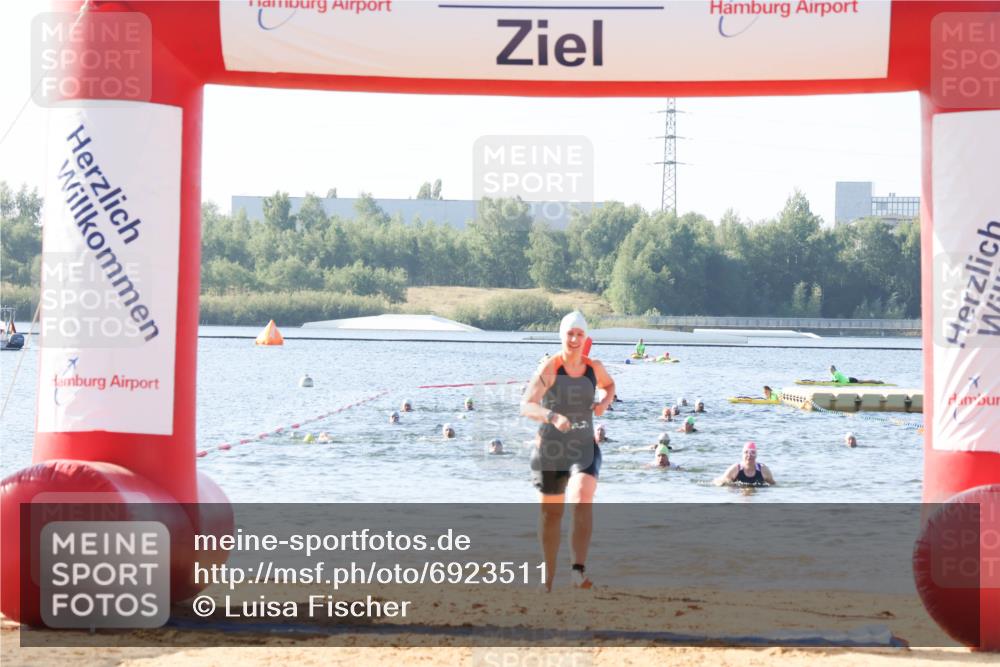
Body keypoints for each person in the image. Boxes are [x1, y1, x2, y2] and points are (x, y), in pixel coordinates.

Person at [521, 310, 615, 591]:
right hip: (550, 448)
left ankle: (577, 571)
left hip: (584, 446)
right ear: (562, 336)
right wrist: (552, 417)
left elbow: (609, 385)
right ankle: (547, 579)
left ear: (585, 338)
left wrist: (604, 402)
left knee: (580, 497)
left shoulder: (593, 367)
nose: (574, 339)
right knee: (551, 514)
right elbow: (526, 405)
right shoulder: (550, 368)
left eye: (579, 334)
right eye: (570, 334)